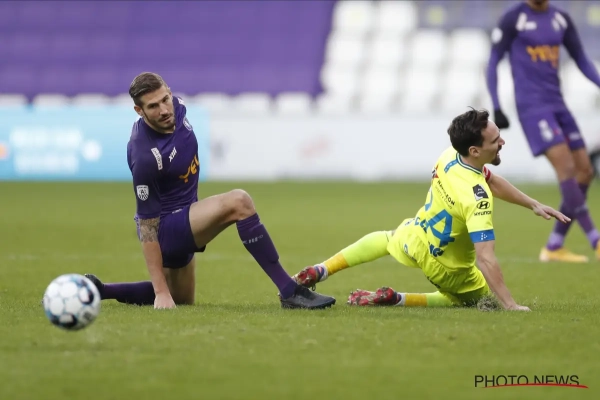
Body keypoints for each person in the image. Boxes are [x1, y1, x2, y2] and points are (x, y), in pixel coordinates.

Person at [85, 72, 336, 310]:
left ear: (170, 93)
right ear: (139, 111)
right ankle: (290, 290)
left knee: (181, 298)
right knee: (239, 202)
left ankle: (101, 290)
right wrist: (160, 290)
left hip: (187, 214)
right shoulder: (145, 156)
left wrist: (164, 292)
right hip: (166, 229)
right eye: (153, 106)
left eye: (165, 100)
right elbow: (147, 226)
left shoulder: (177, 108)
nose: (163, 110)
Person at [291, 109, 569, 310]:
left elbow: (492, 179)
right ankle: (398, 299)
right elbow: (485, 258)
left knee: (387, 239)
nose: (502, 142)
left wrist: (533, 204)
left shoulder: (450, 156)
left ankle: (321, 269)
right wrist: (510, 304)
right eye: (496, 140)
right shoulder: (478, 199)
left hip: (417, 235)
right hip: (448, 268)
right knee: (478, 300)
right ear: (475, 150)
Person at [486, 0, 600, 262]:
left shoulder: (560, 18)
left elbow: (581, 57)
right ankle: (596, 240)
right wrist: (497, 105)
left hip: (558, 103)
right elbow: (493, 60)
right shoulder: (514, 18)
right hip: (532, 107)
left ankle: (554, 246)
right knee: (567, 169)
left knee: (585, 171)